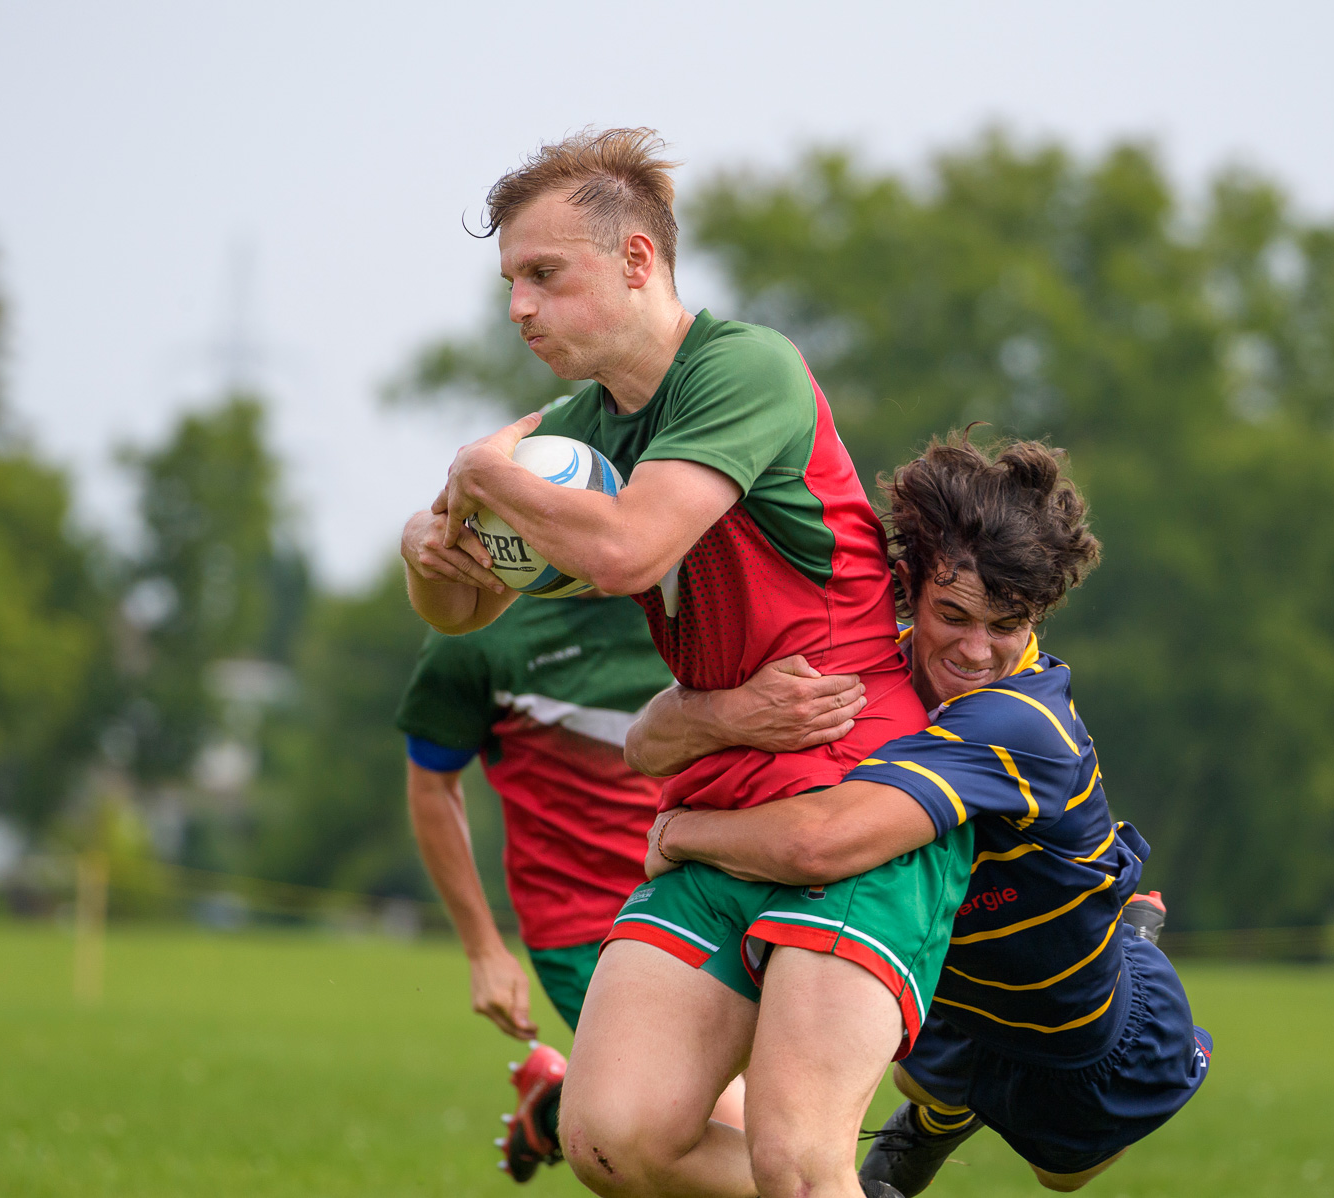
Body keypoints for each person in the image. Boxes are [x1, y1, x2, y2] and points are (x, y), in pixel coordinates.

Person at [401, 128, 967, 1198]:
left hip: (850, 801)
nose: (517, 307)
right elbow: (461, 606)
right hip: (713, 813)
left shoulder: (744, 367)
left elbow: (626, 550)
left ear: (636, 263)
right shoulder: (577, 431)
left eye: (542, 274)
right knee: (613, 1139)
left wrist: (480, 470)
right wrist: (427, 548)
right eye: (509, 281)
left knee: (797, 1159)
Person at [629, 435, 1212, 1194]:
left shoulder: (1021, 722)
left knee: (1063, 1173)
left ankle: (1132, 941)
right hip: (955, 1001)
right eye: (954, 614)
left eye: (1006, 624)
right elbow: (643, 745)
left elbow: (822, 839)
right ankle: (937, 1114)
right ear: (909, 584)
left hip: (1079, 1038)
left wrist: (679, 834)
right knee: (920, 1081)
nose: (976, 651)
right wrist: (731, 712)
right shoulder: (871, 662)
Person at [395, 592, 768, 1179]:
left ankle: (564, 1104)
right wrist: (483, 949)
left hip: (720, 897)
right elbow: (431, 786)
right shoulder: (477, 628)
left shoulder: (702, 589)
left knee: (790, 1128)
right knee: (741, 1151)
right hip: (587, 928)